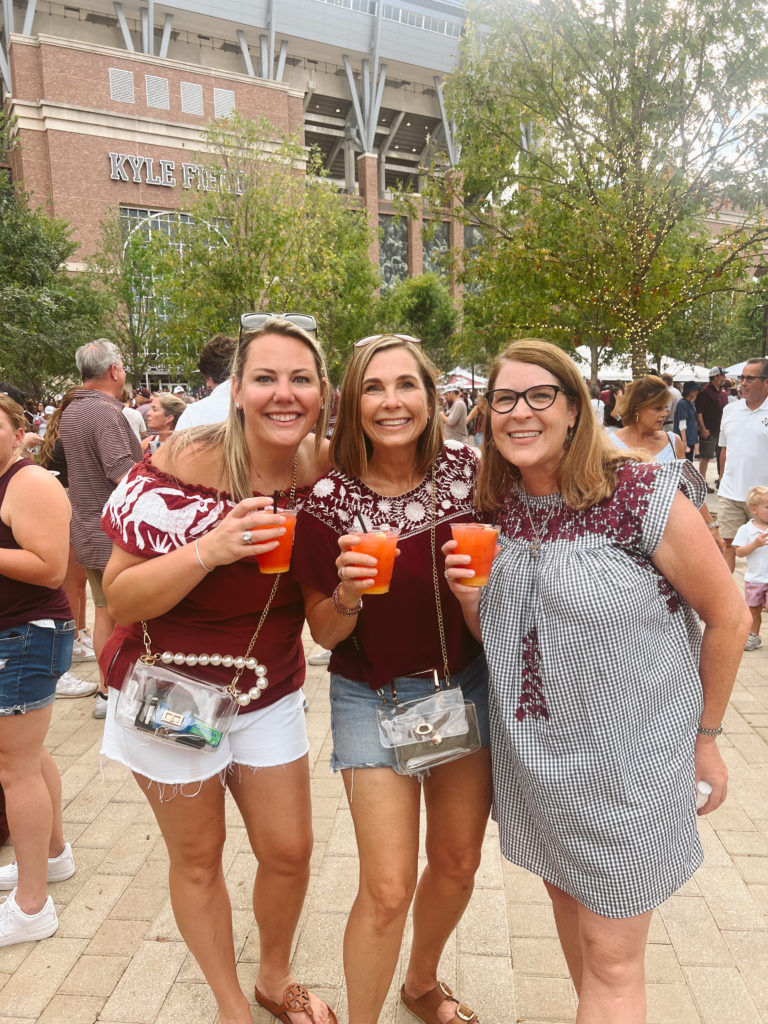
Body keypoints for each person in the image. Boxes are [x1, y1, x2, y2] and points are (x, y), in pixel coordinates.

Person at [444, 339, 750, 1024]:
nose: (520, 412)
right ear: (487, 414)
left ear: (577, 408)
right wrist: (470, 600)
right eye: (504, 399)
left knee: (613, 963)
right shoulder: (495, 504)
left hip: (628, 765)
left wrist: (707, 738)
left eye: (539, 396)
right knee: (566, 907)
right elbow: (498, 636)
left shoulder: (639, 493)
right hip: (538, 762)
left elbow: (728, 617)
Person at [99, 317, 336, 1024]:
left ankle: (272, 975)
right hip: (168, 688)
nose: (282, 394)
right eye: (265, 377)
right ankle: (232, 1003)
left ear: (322, 393)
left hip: (267, 690)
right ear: (236, 390)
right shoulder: (187, 459)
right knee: (199, 856)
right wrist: (212, 548)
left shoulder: (323, 468)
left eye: (300, 379)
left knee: (290, 851)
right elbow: (120, 596)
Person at [293, 334, 491, 1024]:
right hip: (369, 696)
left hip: (461, 687)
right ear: (352, 404)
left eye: (407, 385)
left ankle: (422, 982)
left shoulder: (474, 477)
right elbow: (323, 631)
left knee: (460, 862)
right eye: (374, 388)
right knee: (385, 887)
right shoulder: (325, 501)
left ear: (432, 396)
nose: (392, 401)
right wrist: (347, 593)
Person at [0, 395, 77, 946]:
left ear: (16, 430)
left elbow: (50, 568)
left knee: (15, 768)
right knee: (29, 754)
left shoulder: (29, 483)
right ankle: (53, 857)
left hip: (26, 636)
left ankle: (32, 908)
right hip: (16, 636)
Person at [59, 339, 142, 718]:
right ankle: (114, 690)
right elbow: (121, 471)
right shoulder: (105, 413)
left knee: (105, 610)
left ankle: (109, 690)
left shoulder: (74, 410)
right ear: (114, 371)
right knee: (120, 611)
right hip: (115, 532)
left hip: (89, 528)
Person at [611, 375, 722, 545]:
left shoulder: (672, 441)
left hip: (673, 533)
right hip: (627, 536)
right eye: (657, 408)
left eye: (665, 407)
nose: (665, 413)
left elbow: (691, 490)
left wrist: (711, 526)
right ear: (636, 408)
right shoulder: (610, 444)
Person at [37, 393, 98, 699]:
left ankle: (79, 635)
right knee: (73, 584)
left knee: (78, 582)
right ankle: (72, 639)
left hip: (70, 512)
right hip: (70, 513)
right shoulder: (66, 441)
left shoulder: (59, 438)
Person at [718, 359, 768, 572]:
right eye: (742, 378)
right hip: (731, 493)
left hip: (763, 495)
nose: (743, 383)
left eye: (750, 378)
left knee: (763, 548)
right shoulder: (730, 410)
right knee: (727, 546)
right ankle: (728, 601)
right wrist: (722, 480)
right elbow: (724, 449)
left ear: (766, 382)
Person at [176, 334, 238, 430]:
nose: (206, 385)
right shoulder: (260, 409)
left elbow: (177, 444)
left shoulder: (192, 414)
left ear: (209, 378)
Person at [733, 485, 768, 652]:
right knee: (754, 610)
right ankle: (754, 636)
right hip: (754, 578)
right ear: (754, 509)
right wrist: (755, 544)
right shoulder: (746, 529)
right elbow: (739, 552)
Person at [696, 366, 727, 490]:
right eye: (722, 375)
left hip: (721, 430)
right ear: (715, 377)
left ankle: (721, 480)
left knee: (721, 456)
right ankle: (702, 483)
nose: (724, 378)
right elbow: (699, 412)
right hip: (709, 430)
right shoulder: (705, 392)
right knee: (706, 457)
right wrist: (703, 428)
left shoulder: (721, 391)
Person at [673, 381, 700, 462]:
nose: (697, 392)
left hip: (690, 438)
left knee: (689, 461)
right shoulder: (683, 404)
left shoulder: (689, 403)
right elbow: (682, 423)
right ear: (690, 392)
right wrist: (683, 440)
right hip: (686, 439)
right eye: (695, 390)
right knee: (685, 462)